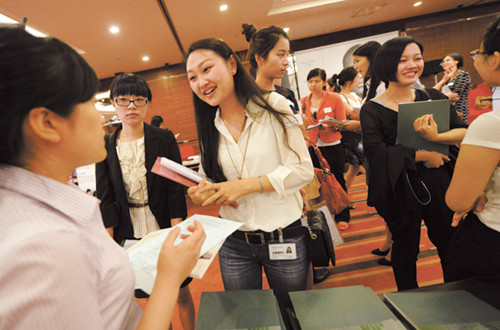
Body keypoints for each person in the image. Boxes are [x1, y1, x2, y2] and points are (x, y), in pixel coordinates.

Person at [0, 25, 205, 329]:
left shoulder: (54, 209)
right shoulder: (45, 247)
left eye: (136, 100)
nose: (102, 117)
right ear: (46, 123)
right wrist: (169, 275)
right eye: (88, 102)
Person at [185, 38, 314, 326]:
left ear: (232, 64)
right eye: (192, 77)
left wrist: (243, 186)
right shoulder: (209, 126)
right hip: (234, 241)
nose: (201, 82)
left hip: (283, 235)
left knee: (293, 316)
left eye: (207, 69)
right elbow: (213, 178)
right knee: (248, 320)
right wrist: (203, 192)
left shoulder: (275, 105)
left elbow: (304, 170)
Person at [360, 36, 467, 290]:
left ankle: (459, 295)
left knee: (448, 240)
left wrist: (436, 138)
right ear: (387, 64)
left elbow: (462, 131)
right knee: (405, 246)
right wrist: (422, 154)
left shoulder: (431, 96)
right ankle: (409, 299)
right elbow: (376, 152)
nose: (412, 65)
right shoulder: (372, 109)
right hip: (401, 187)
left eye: (417, 58)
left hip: (439, 182)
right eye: (402, 60)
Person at [95, 73, 196, 329]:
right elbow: (105, 197)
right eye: (124, 100)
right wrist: (110, 243)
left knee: (180, 289)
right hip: (128, 229)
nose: (131, 106)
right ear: (114, 104)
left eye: (139, 100)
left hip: (164, 223)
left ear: (148, 104)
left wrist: (176, 230)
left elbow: (175, 189)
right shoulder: (104, 145)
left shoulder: (163, 138)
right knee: (148, 294)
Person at [445, 16, 500, 282]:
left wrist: (475, 191)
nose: (476, 60)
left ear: (495, 60)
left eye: (478, 53)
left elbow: (457, 201)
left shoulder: (491, 124)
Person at [300, 68, 350, 231]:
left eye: (317, 81)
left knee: (337, 179)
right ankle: (324, 215)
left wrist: (334, 125)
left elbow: (343, 122)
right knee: (317, 184)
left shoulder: (335, 98)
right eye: (310, 81)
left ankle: (343, 215)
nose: (313, 85)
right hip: (313, 146)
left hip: (332, 145)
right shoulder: (303, 101)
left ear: (323, 82)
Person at [241, 23, 299, 114]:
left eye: (287, 55)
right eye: (281, 54)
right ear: (260, 58)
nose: (286, 62)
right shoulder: (246, 100)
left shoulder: (286, 94)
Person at [330, 67, 365, 194]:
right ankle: (343, 197)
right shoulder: (340, 98)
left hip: (360, 133)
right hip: (352, 137)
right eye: (357, 78)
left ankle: (343, 197)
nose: (359, 80)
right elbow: (352, 113)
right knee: (360, 165)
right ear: (349, 81)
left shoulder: (354, 95)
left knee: (355, 167)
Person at [433, 53, 471, 122]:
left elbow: (456, 96)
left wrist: (440, 97)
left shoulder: (463, 75)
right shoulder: (447, 79)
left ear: (456, 61)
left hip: (459, 110)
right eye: (443, 62)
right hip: (447, 110)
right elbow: (436, 92)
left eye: (448, 60)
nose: (445, 63)